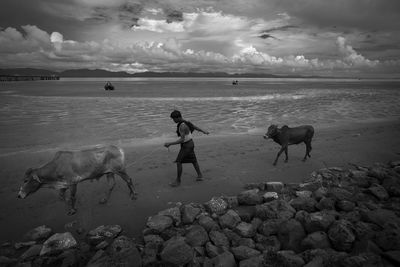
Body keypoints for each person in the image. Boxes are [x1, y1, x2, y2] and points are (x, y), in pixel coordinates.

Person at [164, 110, 209, 187]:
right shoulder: (186, 122)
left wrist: (170, 144)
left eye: (174, 119)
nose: (173, 120)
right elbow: (194, 127)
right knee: (193, 160)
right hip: (190, 143)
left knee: (179, 162)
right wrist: (203, 131)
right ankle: (200, 176)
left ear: (178, 117)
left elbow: (182, 139)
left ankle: (178, 181)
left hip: (187, 146)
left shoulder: (182, 126)